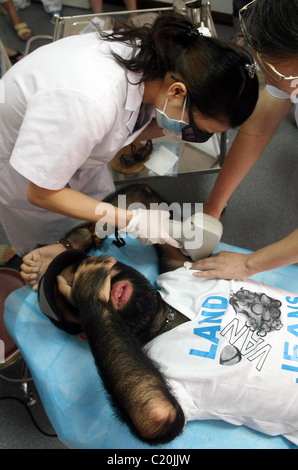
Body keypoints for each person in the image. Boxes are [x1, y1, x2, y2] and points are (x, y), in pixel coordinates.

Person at [36, 197, 298, 446]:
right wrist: (95, 306)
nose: (99, 285)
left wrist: (74, 242)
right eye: (81, 294)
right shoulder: (156, 375)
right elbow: (156, 420)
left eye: (93, 273)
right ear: (89, 332)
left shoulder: (182, 275)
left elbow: (144, 198)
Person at [0, 11, 258, 258]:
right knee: (51, 250)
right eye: (196, 130)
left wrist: (173, 126)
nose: (193, 135)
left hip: (78, 152)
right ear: (177, 92)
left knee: (98, 218)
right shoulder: (91, 101)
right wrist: (133, 220)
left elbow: (126, 124)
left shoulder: (158, 63)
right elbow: (41, 192)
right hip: (26, 170)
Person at [195, 0, 298, 280]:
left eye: (266, 63)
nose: (258, 66)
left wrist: (249, 264)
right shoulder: (287, 76)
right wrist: (213, 206)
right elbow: (258, 129)